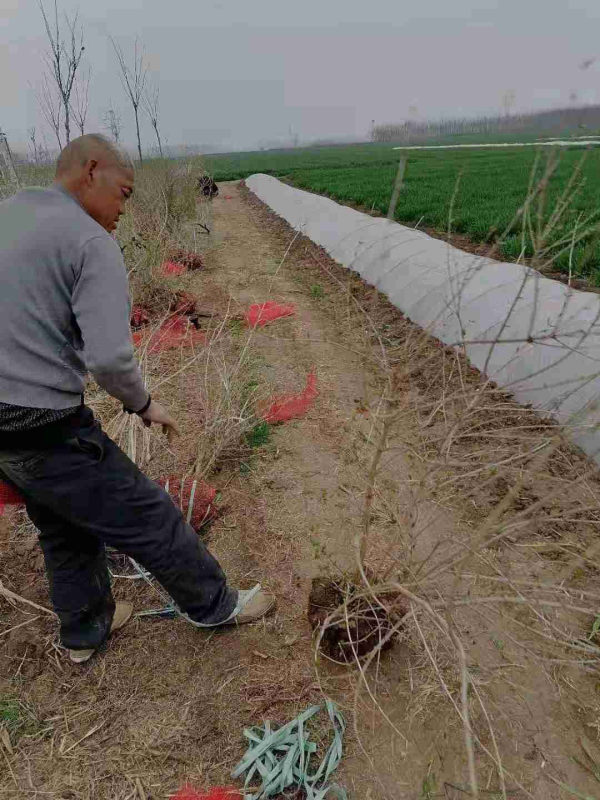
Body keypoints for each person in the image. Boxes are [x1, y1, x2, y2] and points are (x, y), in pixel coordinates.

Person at [0, 134, 275, 664]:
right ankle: (213, 604)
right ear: (91, 171)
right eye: (123, 193)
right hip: (41, 420)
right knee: (146, 512)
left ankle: (86, 630)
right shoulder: (88, 241)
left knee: (61, 520)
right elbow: (108, 358)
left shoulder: (9, 214)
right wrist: (143, 404)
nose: (123, 209)